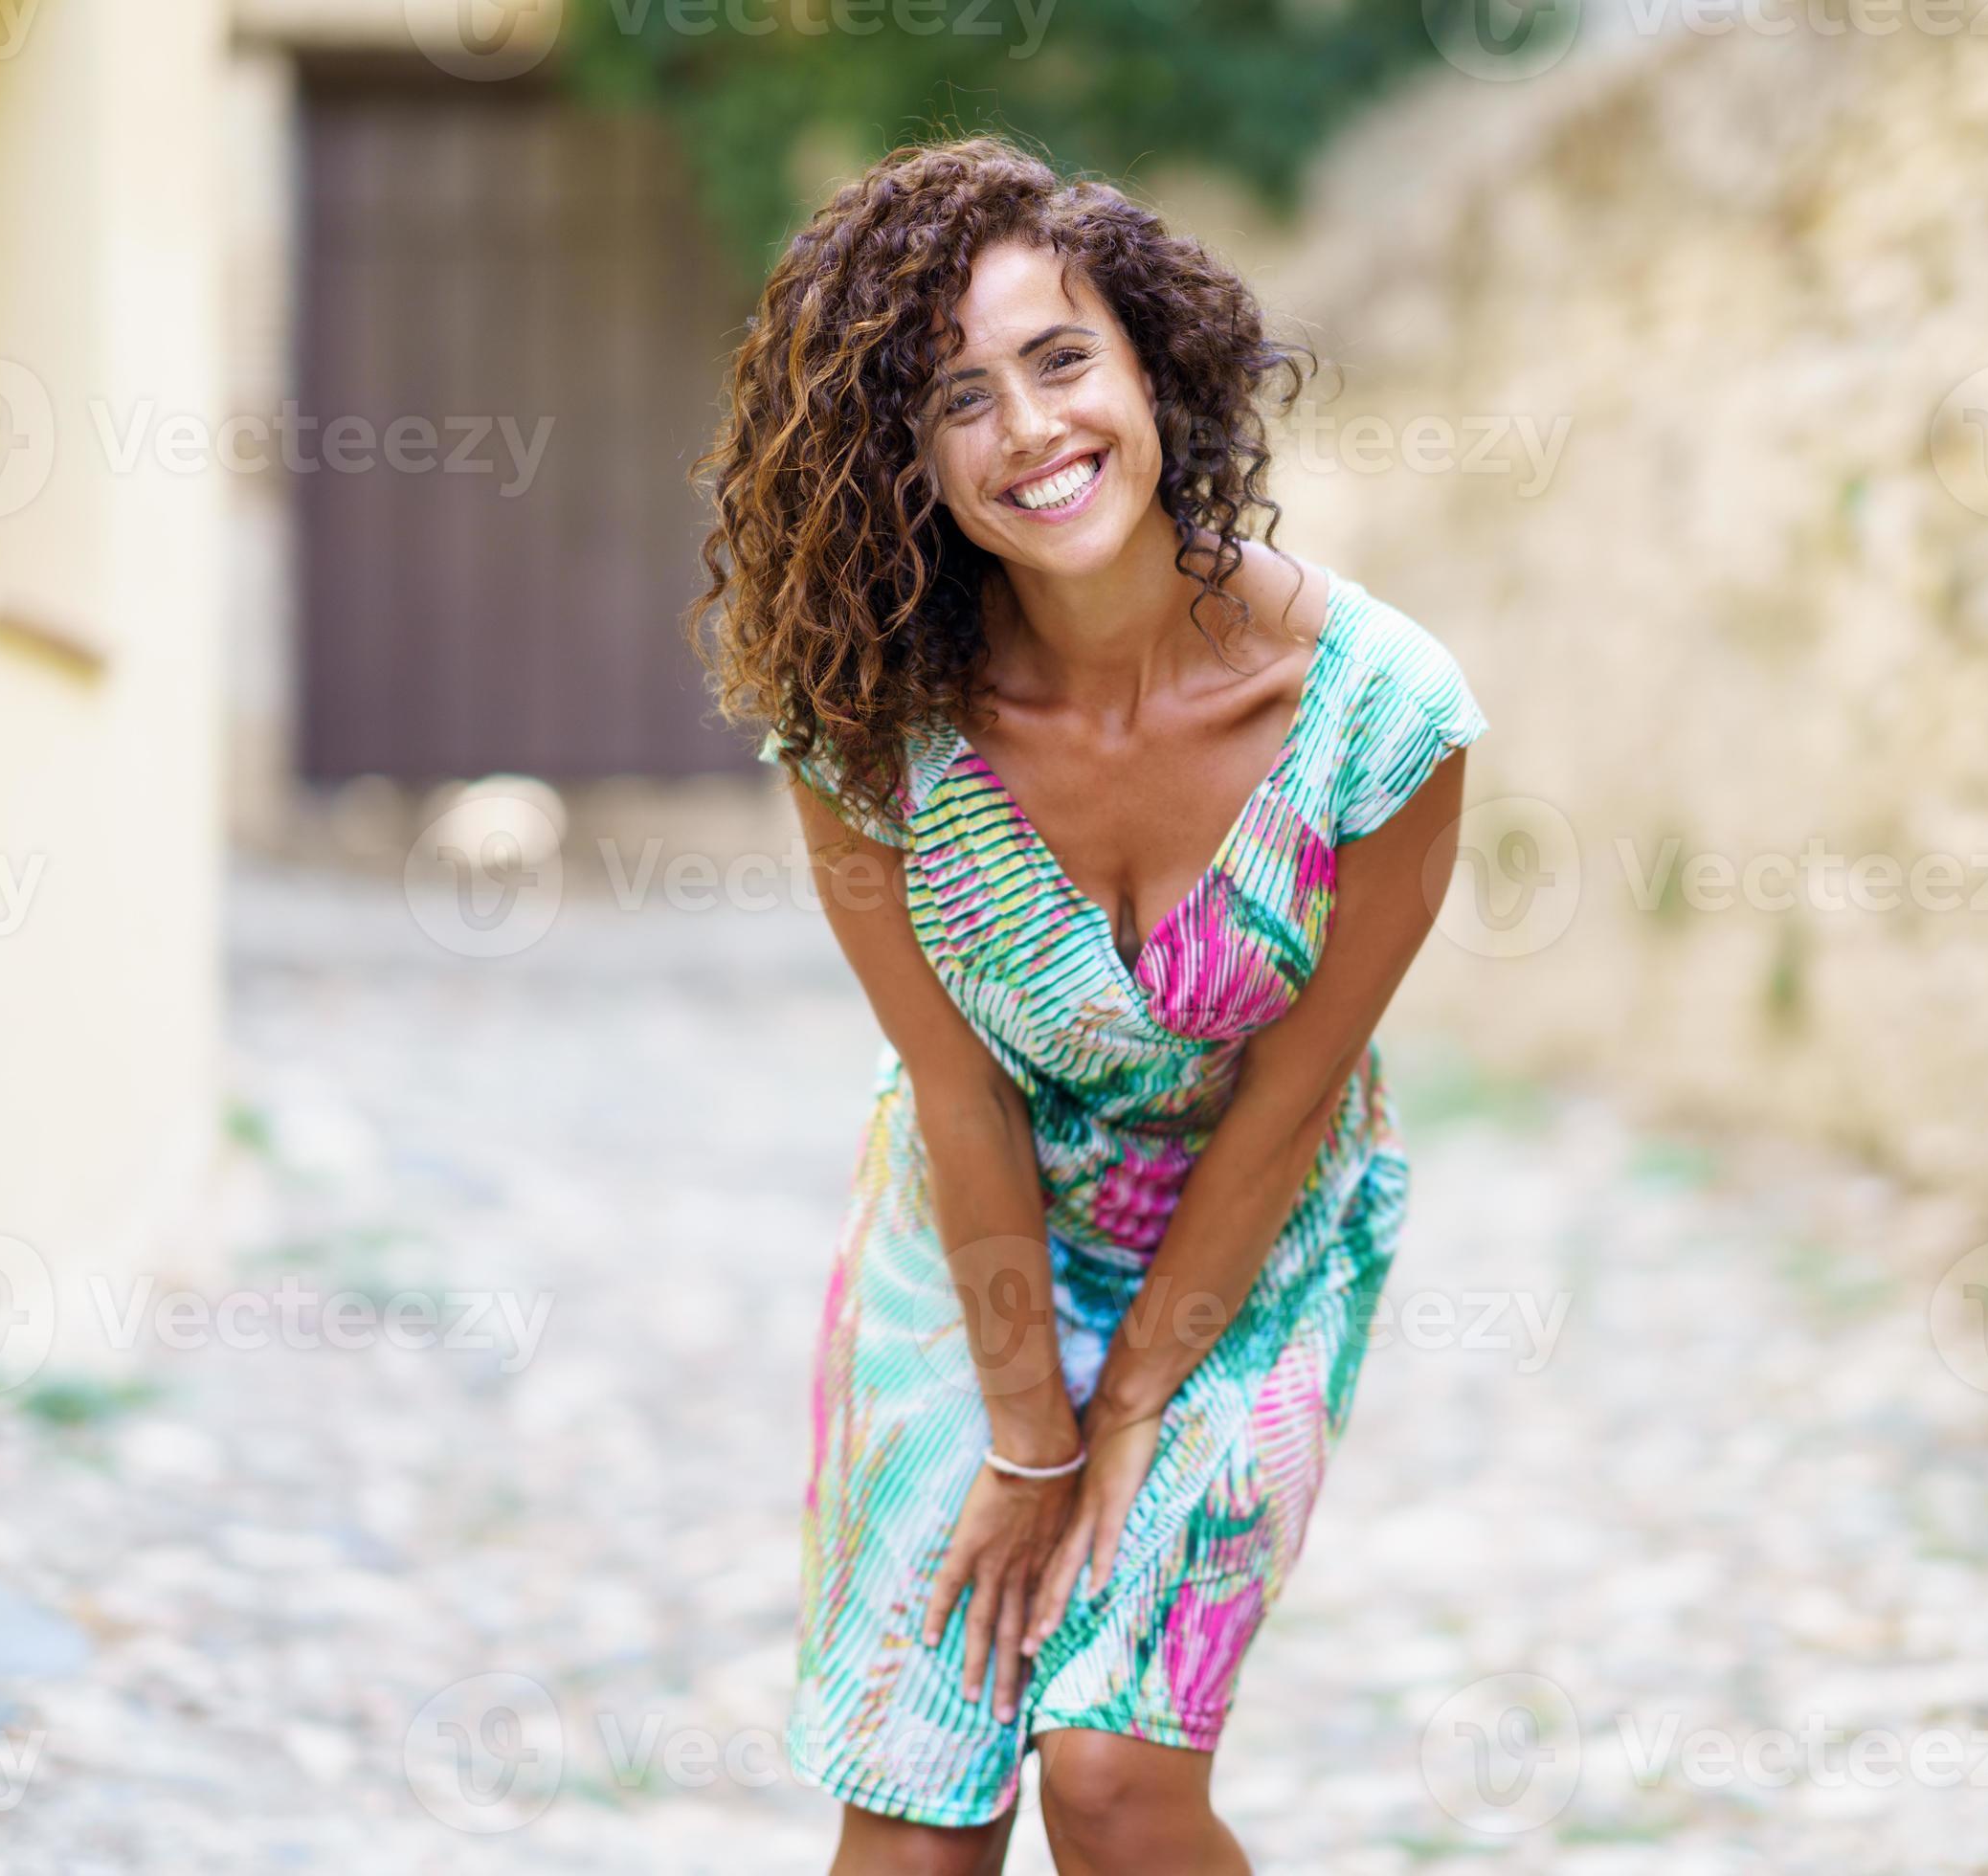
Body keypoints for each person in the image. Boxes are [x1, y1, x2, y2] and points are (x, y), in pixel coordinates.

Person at [689, 133, 1489, 1875]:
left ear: (1150, 364)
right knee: (914, 1825)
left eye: (1062, 359)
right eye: (957, 399)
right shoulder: (864, 731)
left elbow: (1289, 1108)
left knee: (1114, 1784)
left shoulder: (1381, 719)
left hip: (1256, 1249)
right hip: (968, 1245)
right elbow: (957, 1094)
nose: (1034, 431)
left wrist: (1130, 1413)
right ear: (898, 464)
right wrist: (1027, 1442)